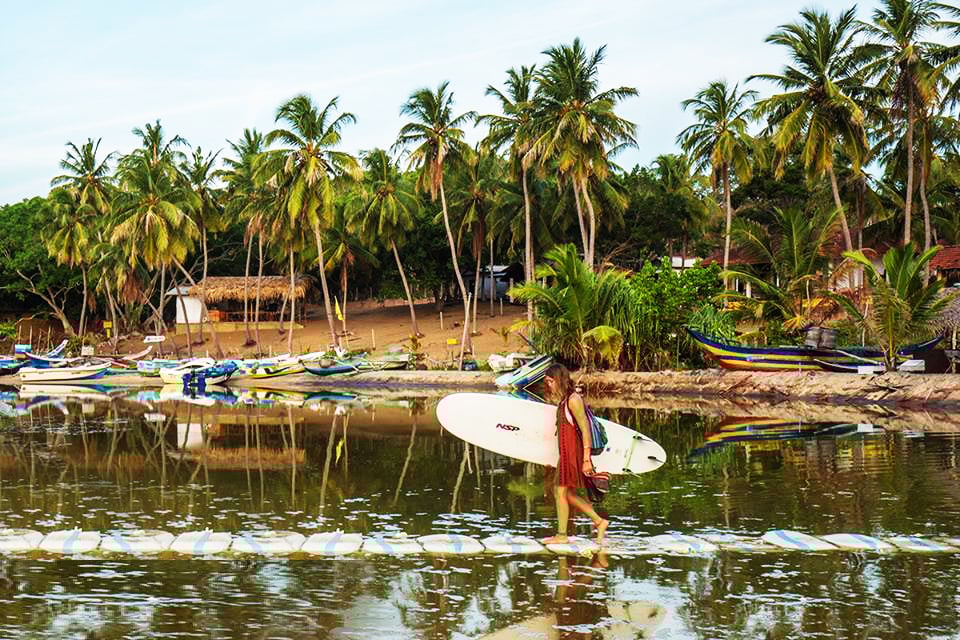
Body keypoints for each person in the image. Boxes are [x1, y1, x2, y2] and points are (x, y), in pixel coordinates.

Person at [541, 363, 608, 545]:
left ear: (558, 379)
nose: (549, 386)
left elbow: (585, 430)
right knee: (566, 493)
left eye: (550, 381)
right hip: (566, 454)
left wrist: (586, 459)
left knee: (560, 491)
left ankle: (562, 535)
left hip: (575, 454)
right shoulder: (564, 401)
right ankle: (599, 521)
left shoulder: (573, 399)